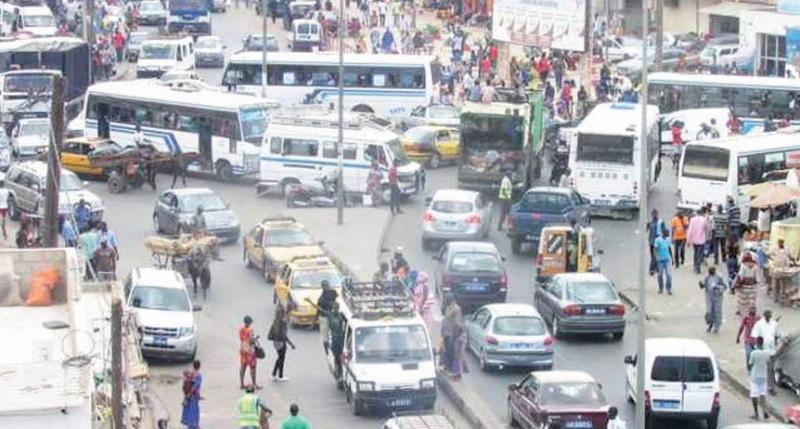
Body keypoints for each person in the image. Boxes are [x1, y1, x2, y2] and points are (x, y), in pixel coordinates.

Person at [751, 310, 780, 395]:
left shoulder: (774, 324)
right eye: (767, 315)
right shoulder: (759, 324)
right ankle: (760, 386)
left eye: (770, 315)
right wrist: (757, 349)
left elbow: (777, 335)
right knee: (762, 370)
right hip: (762, 351)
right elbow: (754, 337)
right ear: (764, 315)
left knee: (771, 370)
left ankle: (771, 388)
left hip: (771, 351)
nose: (768, 317)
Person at [733, 253, 764, 317]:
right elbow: (758, 278)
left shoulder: (743, 266)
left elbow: (740, 276)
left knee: (743, 301)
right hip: (752, 288)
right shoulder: (755, 267)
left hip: (744, 288)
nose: (750, 263)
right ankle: (750, 313)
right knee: (751, 301)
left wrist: (735, 284)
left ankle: (744, 314)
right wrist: (759, 284)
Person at [270, 305, 295, 381]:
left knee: (279, 358)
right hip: (281, 343)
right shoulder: (283, 323)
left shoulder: (275, 321)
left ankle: (274, 374)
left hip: (275, 343)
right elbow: (284, 336)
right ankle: (280, 376)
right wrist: (291, 344)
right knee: (281, 359)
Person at [749, 336, 772, 420]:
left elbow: (750, 363)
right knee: (762, 395)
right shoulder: (767, 353)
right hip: (764, 376)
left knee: (754, 396)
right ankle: (764, 412)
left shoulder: (754, 353)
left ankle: (756, 414)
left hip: (755, 377)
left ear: (757, 343)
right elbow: (769, 363)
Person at [700, 266, 727, 333]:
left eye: (712, 271)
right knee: (709, 311)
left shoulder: (719, 276)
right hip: (709, 295)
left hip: (718, 296)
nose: (710, 273)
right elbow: (704, 285)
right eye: (709, 271)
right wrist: (701, 284)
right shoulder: (707, 277)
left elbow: (724, 286)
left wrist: (718, 288)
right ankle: (710, 324)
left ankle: (717, 326)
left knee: (717, 311)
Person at [440, 294, 463, 373]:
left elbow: (457, 324)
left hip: (451, 334)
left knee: (451, 352)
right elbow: (445, 320)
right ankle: (446, 367)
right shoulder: (448, 307)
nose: (445, 301)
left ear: (450, 300)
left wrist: (455, 336)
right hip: (446, 333)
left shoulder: (456, 309)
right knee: (446, 350)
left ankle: (450, 368)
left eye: (446, 300)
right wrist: (442, 332)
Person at [316, 280, 338, 354]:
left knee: (325, 337)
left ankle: (327, 352)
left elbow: (318, 310)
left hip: (325, 317)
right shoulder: (334, 293)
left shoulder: (321, 298)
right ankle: (329, 350)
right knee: (332, 334)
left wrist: (314, 321)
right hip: (332, 316)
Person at [687, 208, 710, 274]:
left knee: (695, 253)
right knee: (700, 254)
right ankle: (698, 267)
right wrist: (708, 237)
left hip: (694, 240)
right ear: (702, 213)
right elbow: (707, 229)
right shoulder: (704, 219)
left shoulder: (692, 220)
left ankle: (695, 266)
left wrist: (688, 240)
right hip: (701, 240)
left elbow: (690, 230)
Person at [239, 315, 259, 390]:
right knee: (252, 367)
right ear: (250, 322)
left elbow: (242, 339)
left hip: (243, 348)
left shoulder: (241, 329)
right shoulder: (250, 330)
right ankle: (254, 384)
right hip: (250, 350)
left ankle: (241, 384)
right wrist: (255, 338)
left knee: (243, 367)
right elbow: (251, 340)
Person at [181, 360, 202, 429]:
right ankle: (193, 425)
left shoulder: (190, 374)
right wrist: (191, 393)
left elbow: (184, 381)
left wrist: (187, 394)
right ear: (199, 367)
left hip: (187, 395)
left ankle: (188, 423)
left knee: (188, 409)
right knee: (194, 410)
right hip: (194, 395)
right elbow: (196, 385)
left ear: (193, 366)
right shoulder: (198, 375)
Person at [737, 306, 759, 371]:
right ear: (749, 311)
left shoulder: (758, 318)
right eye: (752, 310)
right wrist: (738, 337)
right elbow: (741, 327)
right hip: (748, 340)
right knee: (749, 354)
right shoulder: (746, 318)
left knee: (755, 355)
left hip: (756, 340)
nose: (753, 311)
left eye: (754, 310)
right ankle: (749, 368)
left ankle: (754, 367)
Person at [646, 209, 667, 275]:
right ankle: (654, 269)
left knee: (656, 256)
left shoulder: (661, 222)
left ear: (657, 214)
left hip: (658, 242)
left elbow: (665, 231)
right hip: (652, 242)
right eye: (653, 214)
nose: (654, 215)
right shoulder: (650, 223)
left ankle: (653, 269)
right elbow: (646, 230)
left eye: (655, 214)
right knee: (654, 255)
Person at [654, 228, 673, 295]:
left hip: (667, 259)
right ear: (663, 233)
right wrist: (656, 258)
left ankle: (669, 289)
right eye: (667, 233)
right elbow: (655, 250)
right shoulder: (657, 240)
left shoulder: (668, 239)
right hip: (660, 260)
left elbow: (669, 249)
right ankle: (660, 288)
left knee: (669, 275)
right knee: (660, 274)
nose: (668, 235)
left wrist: (672, 259)